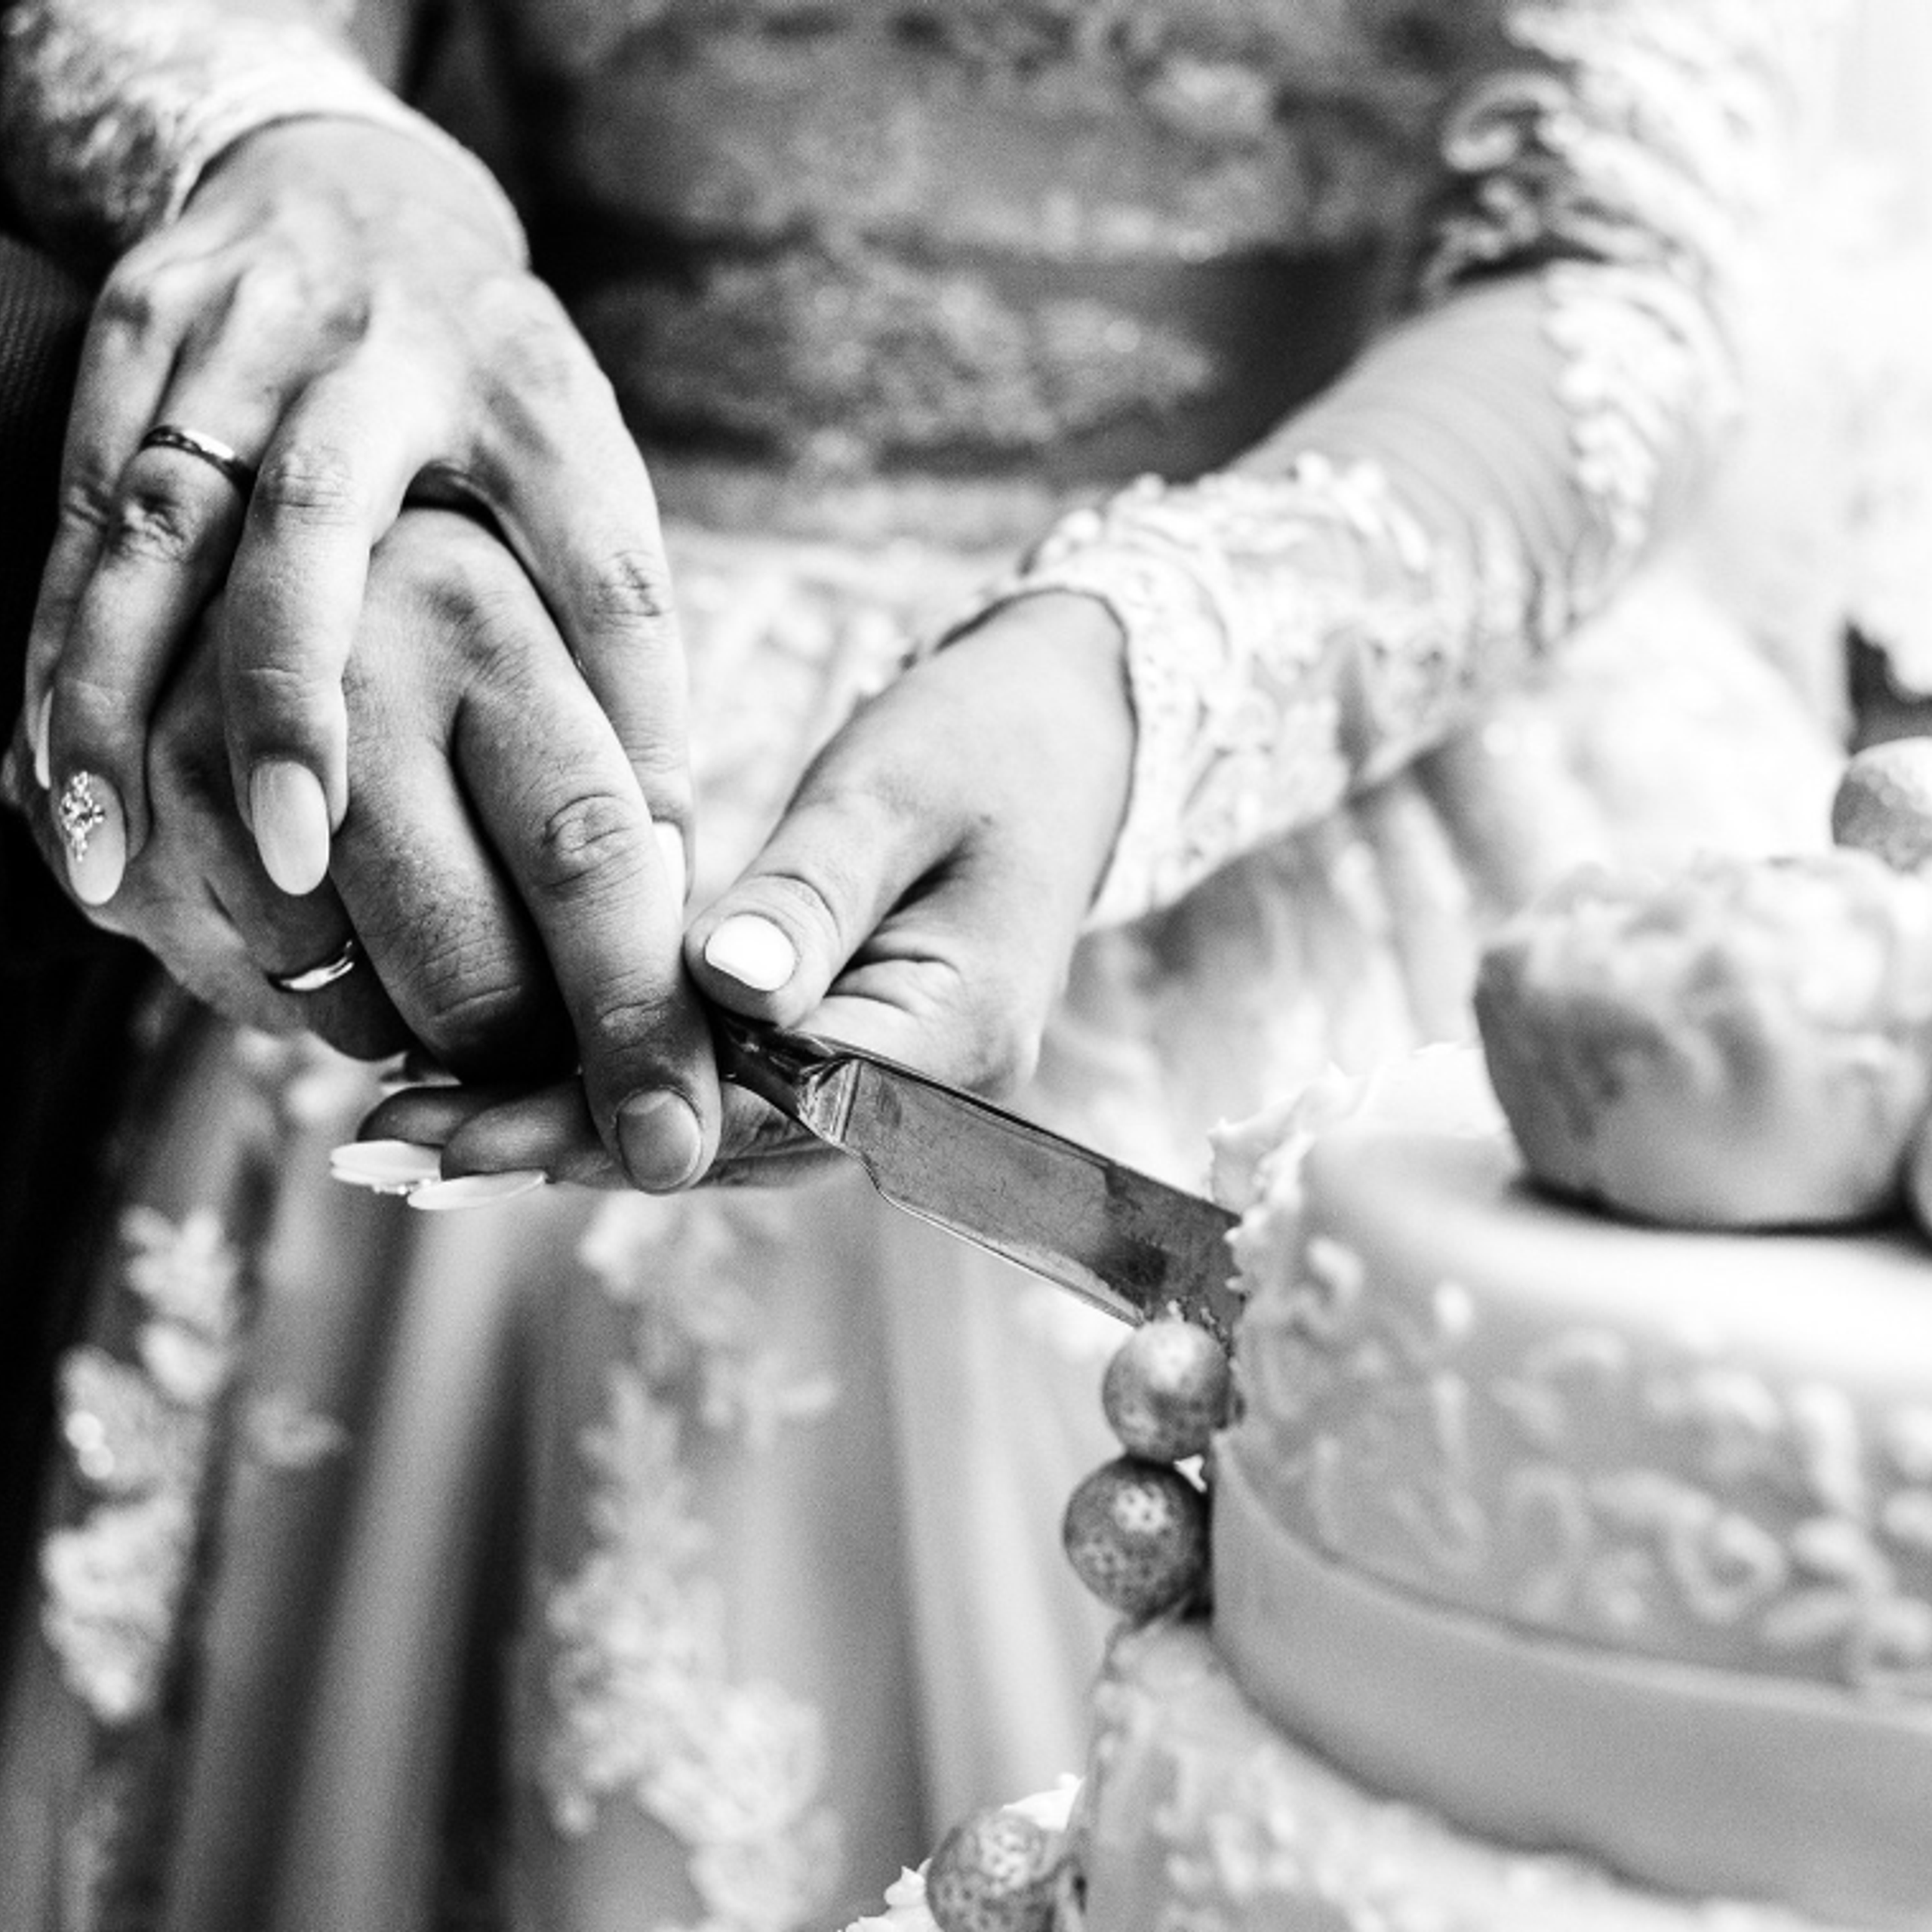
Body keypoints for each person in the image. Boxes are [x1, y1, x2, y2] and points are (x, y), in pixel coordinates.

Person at [0, 0, 1912, 1927]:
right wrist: (297, 151)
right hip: (542, 668)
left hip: (1291, 683)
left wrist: (1141, 674)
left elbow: (1615, 271)